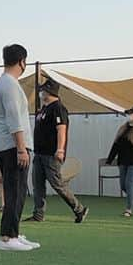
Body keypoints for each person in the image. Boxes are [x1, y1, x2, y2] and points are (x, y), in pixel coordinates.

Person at [0, 44, 39, 251]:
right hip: (12, 147)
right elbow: (14, 118)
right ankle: (7, 238)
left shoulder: (3, 83)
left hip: (6, 146)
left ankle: (13, 231)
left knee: (17, 190)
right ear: (22, 61)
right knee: (14, 191)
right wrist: (21, 148)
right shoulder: (9, 85)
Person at [28, 79, 88, 224]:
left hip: (51, 154)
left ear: (50, 91)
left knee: (57, 184)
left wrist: (60, 149)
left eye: (43, 90)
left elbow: (61, 129)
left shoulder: (58, 108)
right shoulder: (43, 109)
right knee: (38, 185)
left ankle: (79, 209)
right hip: (39, 153)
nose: (41, 92)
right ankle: (38, 214)